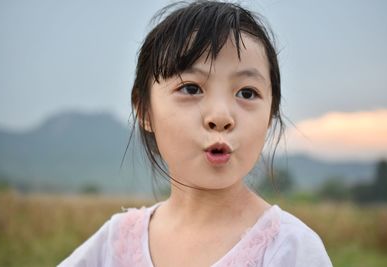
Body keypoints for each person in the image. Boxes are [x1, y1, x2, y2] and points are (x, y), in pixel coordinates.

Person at [59, 1, 332, 266]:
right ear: (144, 110)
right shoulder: (115, 243)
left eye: (247, 93)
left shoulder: (290, 249)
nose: (221, 117)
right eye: (191, 88)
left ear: (271, 115)